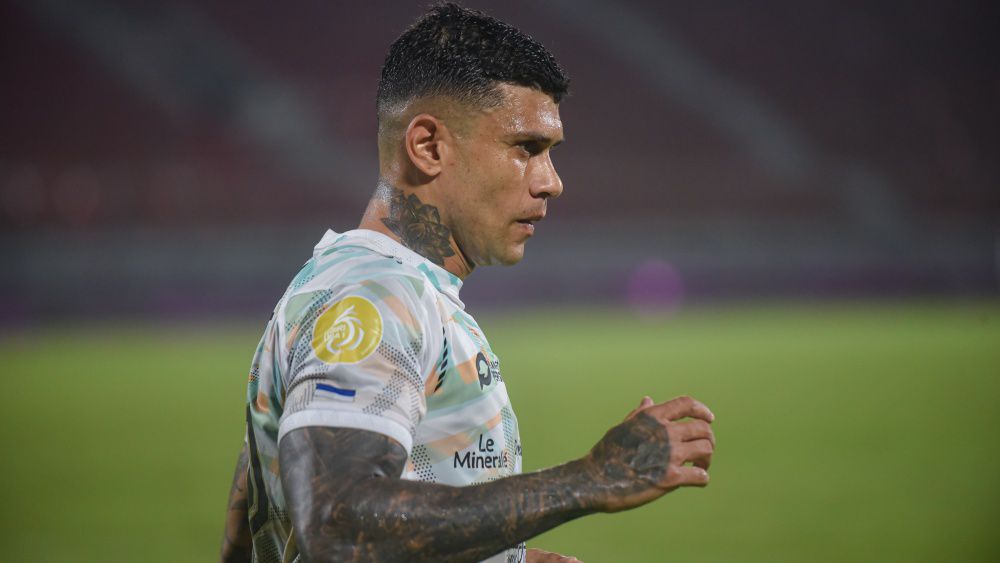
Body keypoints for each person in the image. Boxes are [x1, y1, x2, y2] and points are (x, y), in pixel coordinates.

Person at [219, 4, 716, 562]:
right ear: (429, 147)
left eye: (550, 153)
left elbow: (256, 509)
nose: (551, 183)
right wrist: (591, 479)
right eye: (526, 148)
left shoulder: (364, 283)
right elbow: (337, 527)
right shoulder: (375, 298)